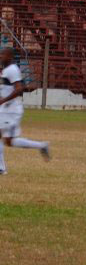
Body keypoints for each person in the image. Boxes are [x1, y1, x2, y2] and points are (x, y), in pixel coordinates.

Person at [0, 47, 50, 175]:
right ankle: (41, 146)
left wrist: (3, 100)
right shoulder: (6, 70)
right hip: (6, 110)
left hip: (11, 111)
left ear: (10, 57)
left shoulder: (12, 70)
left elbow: (19, 89)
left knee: (5, 139)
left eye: (3, 54)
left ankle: (1, 168)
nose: (1, 56)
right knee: (10, 141)